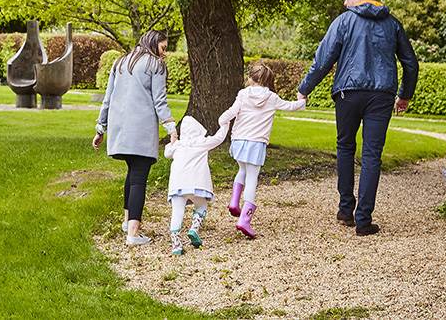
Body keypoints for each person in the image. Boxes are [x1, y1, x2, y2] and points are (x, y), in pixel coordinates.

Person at [298, 0, 418, 236]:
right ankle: (363, 220)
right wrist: (405, 95)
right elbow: (410, 63)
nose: (344, 3)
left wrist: (304, 88)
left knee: (345, 147)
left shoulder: (343, 22)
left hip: (348, 94)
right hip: (382, 96)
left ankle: (345, 210)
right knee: (372, 155)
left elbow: (323, 60)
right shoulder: (393, 24)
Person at [93, 31, 177, 246]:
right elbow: (160, 100)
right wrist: (171, 127)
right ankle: (133, 233)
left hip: (120, 129)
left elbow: (108, 98)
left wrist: (100, 128)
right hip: (141, 130)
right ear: (153, 43)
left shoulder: (120, 62)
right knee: (139, 178)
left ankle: (126, 222)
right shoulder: (155, 65)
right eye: (163, 48)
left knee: (132, 174)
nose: (164, 53)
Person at [218, 62, 306, 238]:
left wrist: (222, 121)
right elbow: (289, 106)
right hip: (256, 143)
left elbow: (232, 112)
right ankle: (244, 220)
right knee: (252, 178)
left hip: (239, 140)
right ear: (267, 80)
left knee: (242, 170)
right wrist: (302, 101)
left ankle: (234, 203)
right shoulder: (271, 97)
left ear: (250, 78)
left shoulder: (243, 94)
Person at [164, 115, 229, 255]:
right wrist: (225, 124)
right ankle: (194, 229)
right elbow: (219, 138)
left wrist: (172, 141)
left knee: (177, 212)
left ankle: (176, 245)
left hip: (177, 185)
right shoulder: (202, 142)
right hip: (197, 184)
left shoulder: (178, 145)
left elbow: (167, 154)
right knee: (201, 205)